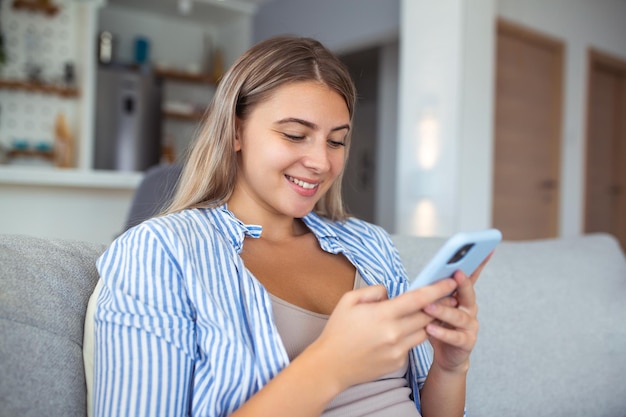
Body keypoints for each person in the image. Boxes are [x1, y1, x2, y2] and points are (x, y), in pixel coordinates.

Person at [93, 35, 487, 417]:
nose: (321, 162)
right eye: (296, 135)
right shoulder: (161, 252)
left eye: (336, 141)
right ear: (234, 131)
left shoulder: (371, 245)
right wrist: (331, 364)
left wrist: (451, 367)